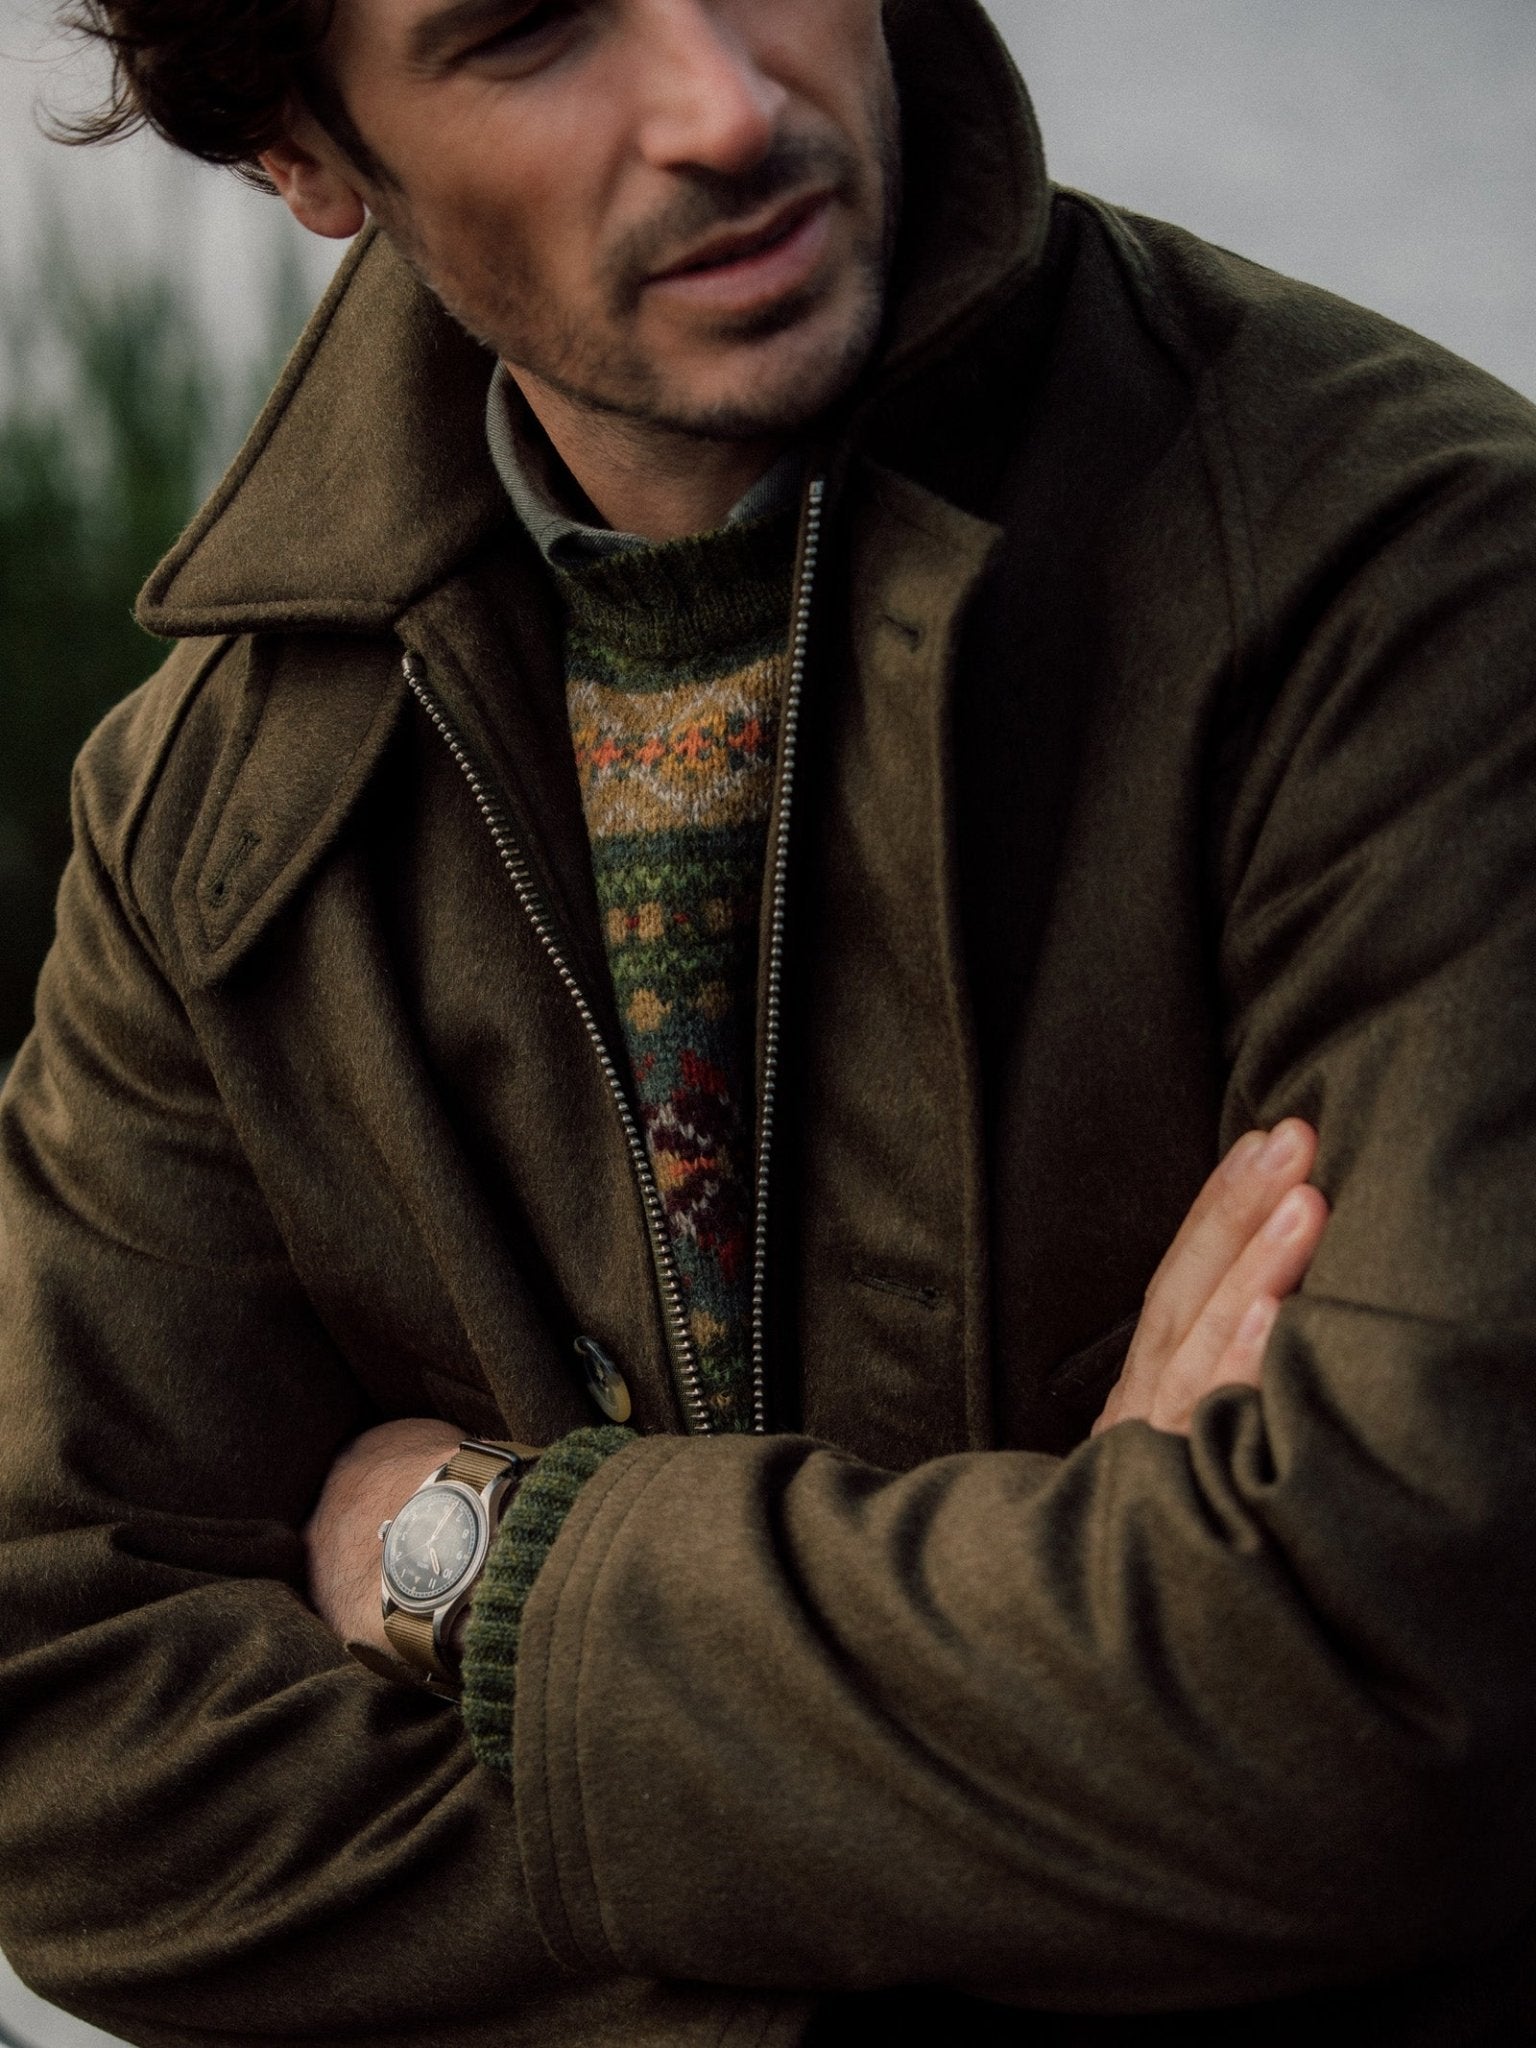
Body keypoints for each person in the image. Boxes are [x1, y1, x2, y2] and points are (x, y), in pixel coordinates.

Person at [1, 0, 1534, 2041]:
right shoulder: (202, 820)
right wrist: (1073, 1758)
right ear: (303, 148)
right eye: (530, 31)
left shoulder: (1416, 584)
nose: (726, 103)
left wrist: (475, 1559)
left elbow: (1370, 1707)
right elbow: (78, 1764)